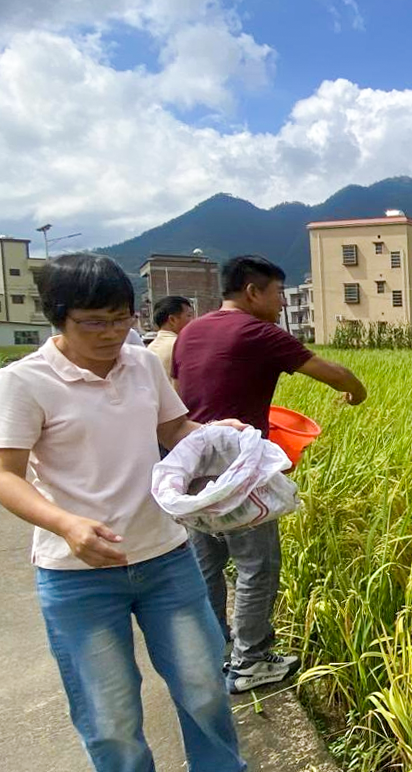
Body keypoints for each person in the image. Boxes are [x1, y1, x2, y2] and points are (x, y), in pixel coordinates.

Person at [0, 254, 247, 772]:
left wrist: (220, 435)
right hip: (78, 576)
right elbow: (6, 475)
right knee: (109, 718)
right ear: (58, 316)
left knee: (204, 688)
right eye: (93, 321)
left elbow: (175, 433)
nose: (111, 333)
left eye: (121, 318)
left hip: (165, 557)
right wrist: (65, 524)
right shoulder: (24, 382)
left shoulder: (141, 364)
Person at [173, 254, 368, 694]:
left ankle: (211, 651)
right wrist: (357, 391)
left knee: (207, 563)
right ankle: (251, 662)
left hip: (191, 463)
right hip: (238, 468)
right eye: (278, 292)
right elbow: (330, 373)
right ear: (252, 292)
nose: (282, 302)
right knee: (257, 566)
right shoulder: (259, 331)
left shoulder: (191, 332)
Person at [147, 295, 195, 379]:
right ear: (172, 320)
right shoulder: (181, 346)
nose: (193, 320)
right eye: (189, 315)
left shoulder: (150, 349)